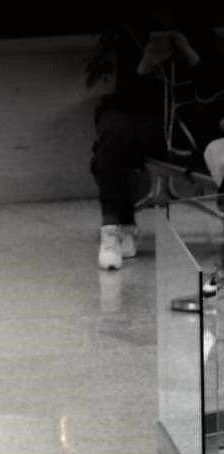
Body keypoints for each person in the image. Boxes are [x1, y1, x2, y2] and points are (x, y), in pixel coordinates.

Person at [88, 9, 224, 270]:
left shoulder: (201, 30)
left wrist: (192, 57)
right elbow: (126, 96)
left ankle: (123, 224)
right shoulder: (131, 32)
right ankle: (114, 226)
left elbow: (215, 91)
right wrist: (146, 65)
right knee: (112, 133)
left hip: (190, 122)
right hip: (145, 118)